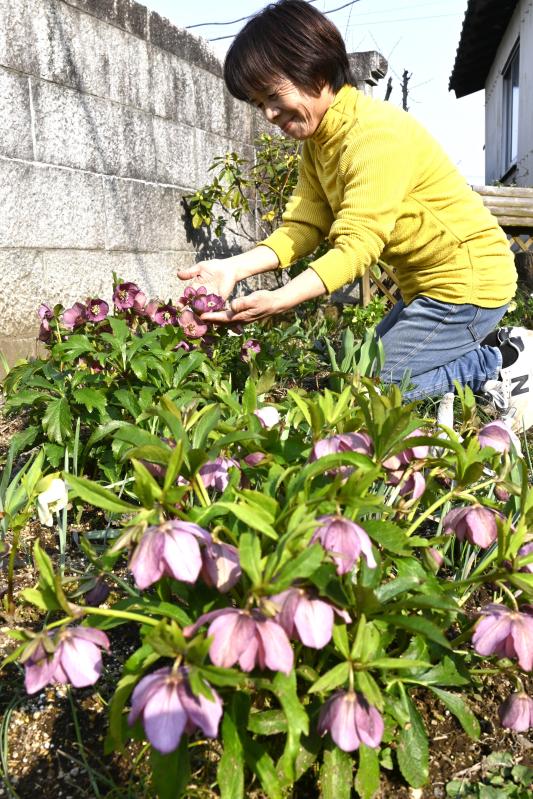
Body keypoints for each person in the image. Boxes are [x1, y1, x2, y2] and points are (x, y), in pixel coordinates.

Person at [178, 0, 532, 432]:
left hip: (467, 287)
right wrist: (232, 268)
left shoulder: (373, 135)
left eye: (273, 95)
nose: (269, 114)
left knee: (368, 388)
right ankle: (485, 351)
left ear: (316, 71)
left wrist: (281, 297)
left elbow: (358, 244)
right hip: (425, 288)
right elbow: (304, 226)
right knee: (351, 369)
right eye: (258, 103)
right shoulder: (319, 141)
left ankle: (493, 365)